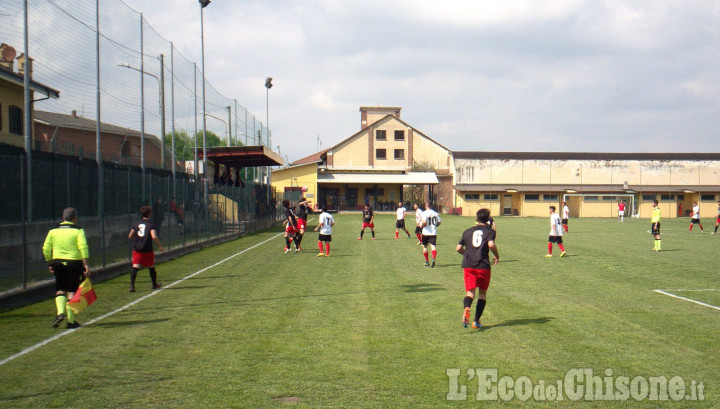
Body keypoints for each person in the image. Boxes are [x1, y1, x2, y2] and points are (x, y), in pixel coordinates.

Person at [42, 207, 90, 329]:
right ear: (75, 218)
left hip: (58, 262)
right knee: (72, 290)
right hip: (74, 263)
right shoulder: (78, 230)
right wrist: (86, 264)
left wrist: (50, 262)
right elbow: (83, 246)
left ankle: (59, 313)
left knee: (60, 288)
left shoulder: (53, 231)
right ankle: (71, 321)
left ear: (63, 218)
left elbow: (46, 248)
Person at [456, 208, 499, 329]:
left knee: (470, 293)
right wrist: (496, 256)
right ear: (488, 219)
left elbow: (458, 248)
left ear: (476, 218)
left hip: (468, 266)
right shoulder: (489, 231)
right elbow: (491, 244)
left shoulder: (467, 231)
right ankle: (476, 321)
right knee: (482, 293)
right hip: (483, 266)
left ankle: (467, 308)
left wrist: (467, 254)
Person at [128, 206, 165, 292]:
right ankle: (154, 284)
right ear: (149, 214)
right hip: (147, 248)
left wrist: (137, 240)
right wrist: (160, 246)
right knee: (151, 266)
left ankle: (132, 286)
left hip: (137, 248)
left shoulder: (136, 223)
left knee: (135, 267)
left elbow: (130, 236)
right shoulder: (151, 224)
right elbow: (154, 237)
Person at [420, 201, 442, 267]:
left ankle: (427, 261)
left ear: (425, 205)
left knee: (424, 246)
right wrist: (435, 226)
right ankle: (433, 259)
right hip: (433, 232)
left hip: (425, 232)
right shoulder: (435, 213)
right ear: (431, 206)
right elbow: (439, 222)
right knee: (433, 246)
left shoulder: (424, 213)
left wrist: (421, 226)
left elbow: (424, 222)